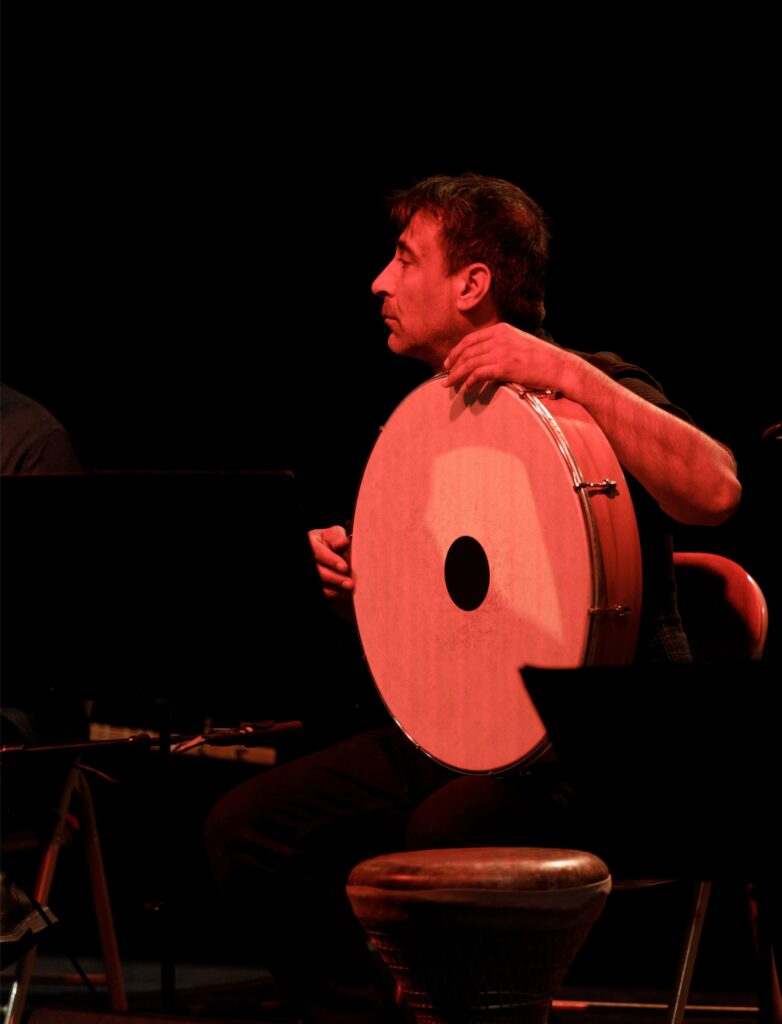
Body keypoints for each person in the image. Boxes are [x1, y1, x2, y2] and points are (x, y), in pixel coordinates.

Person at [205, 174, 741, 1024]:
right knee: (251, 827)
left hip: (611, 738)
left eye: (404, 258)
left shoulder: (591, 384)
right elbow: (453, 627)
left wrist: (569, 371)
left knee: (446, 835)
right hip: (472, 732)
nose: (380, 281)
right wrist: (358, 582)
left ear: (473, 283)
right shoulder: (432, 423)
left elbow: (714, 492)